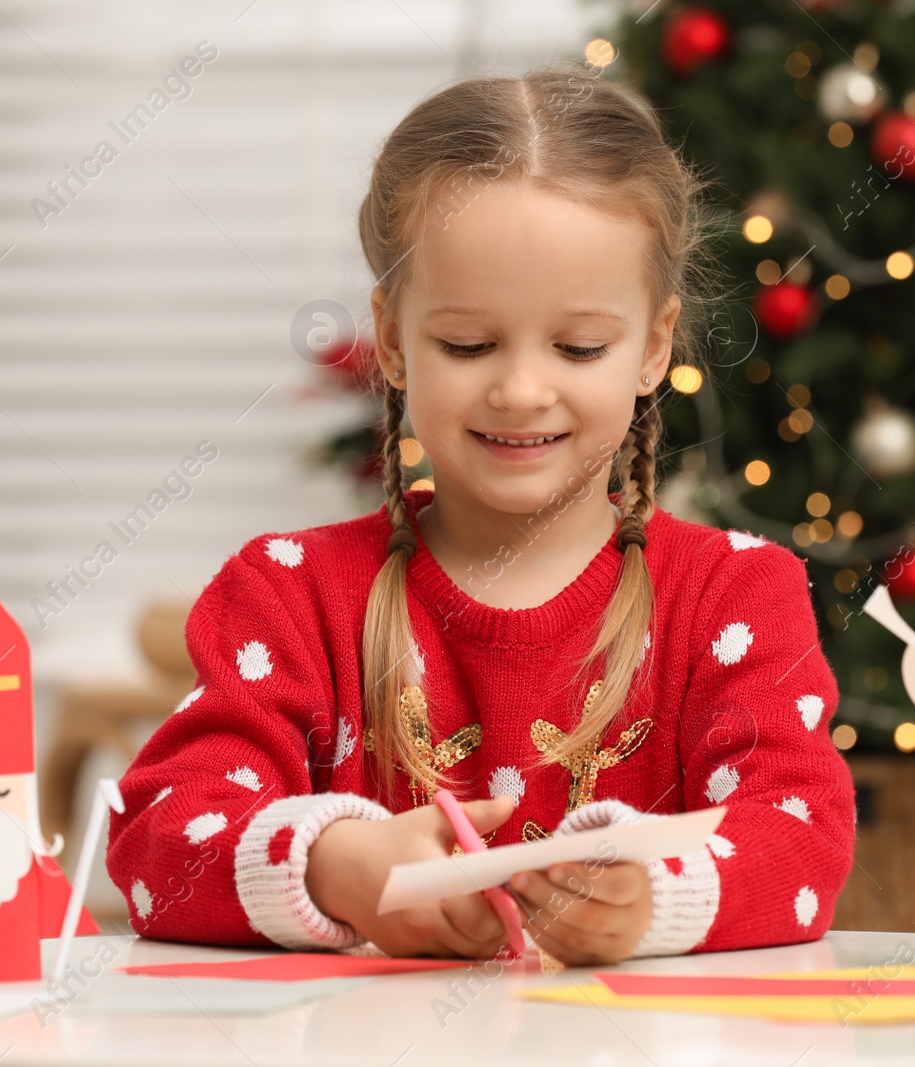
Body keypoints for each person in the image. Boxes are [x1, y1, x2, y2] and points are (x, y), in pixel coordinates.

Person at [105, 64, 855, 966]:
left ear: (654, 347)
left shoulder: (735, 594)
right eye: (468, 343)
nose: (520, 389)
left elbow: (803, 836)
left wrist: (655, 896)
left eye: (579, 347)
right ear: (391, 341)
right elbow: (159, 839)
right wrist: (335, 866)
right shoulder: (291, 596)